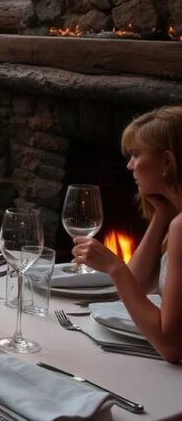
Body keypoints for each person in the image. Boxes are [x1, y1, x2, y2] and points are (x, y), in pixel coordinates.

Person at [71, 106, 181, 363]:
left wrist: (113, 266)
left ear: (167, 162)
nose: (130, 165)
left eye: (136, 154)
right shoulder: (174, 220)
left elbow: (171, 347)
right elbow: (138, 286)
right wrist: (161, 216)